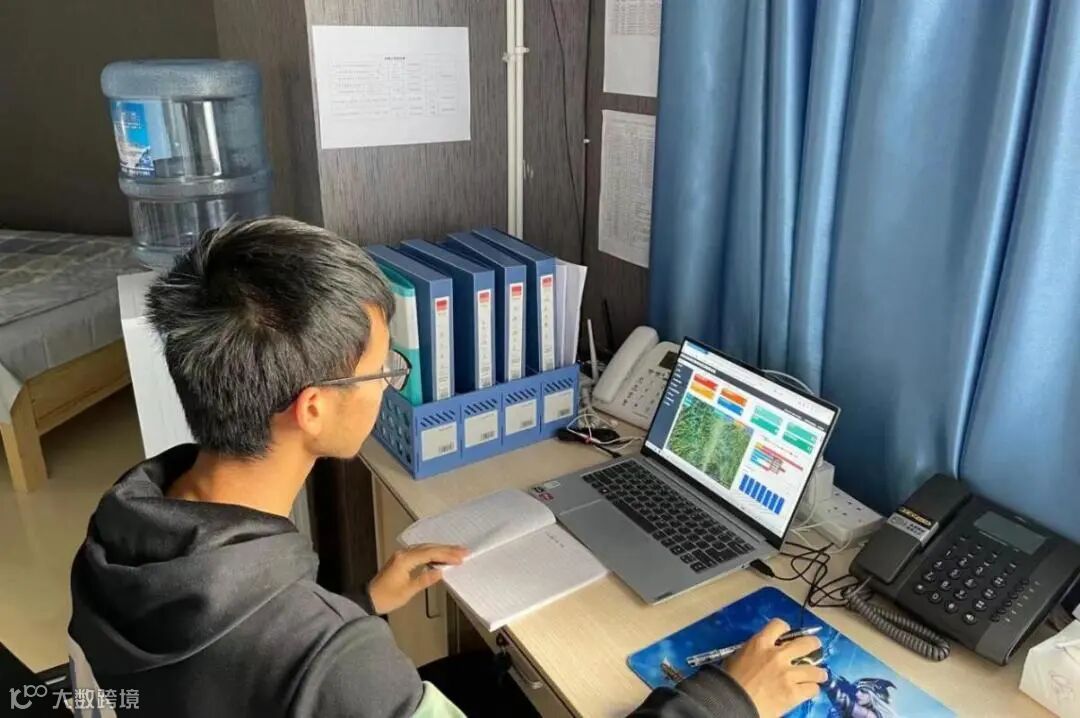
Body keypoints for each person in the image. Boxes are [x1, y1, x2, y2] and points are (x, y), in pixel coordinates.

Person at [68, 217, 827, 717]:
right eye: (381, 369)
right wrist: (728, 699)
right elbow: (300, 663)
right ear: (314, 408)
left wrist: (362, 602)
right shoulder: (335, 663)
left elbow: (239, 672)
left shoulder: (123, 527)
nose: (389, 384)